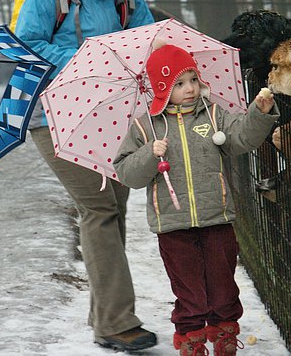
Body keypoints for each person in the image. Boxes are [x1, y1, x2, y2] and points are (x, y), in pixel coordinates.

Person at [13, 0, 157, 352]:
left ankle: (104, 315)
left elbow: (147, 42)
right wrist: (87, 58)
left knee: (114, 204)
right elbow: (27, 42)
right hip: (54, 116)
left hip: (112, 114)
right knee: (98, 207)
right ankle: (115, 322)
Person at [113, 44, 280, 356]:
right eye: (178, 83)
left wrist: (260, 112)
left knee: (223, 284)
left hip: (216, 216)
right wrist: (149, 154)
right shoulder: (144, 127)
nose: (189, 88)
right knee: (189, 288)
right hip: (172, 225)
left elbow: (243, 137)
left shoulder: (214, 114)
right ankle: (191, 340)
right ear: (162, 88)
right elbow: (127, 175)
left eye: (192, 79)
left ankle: (225, 334)